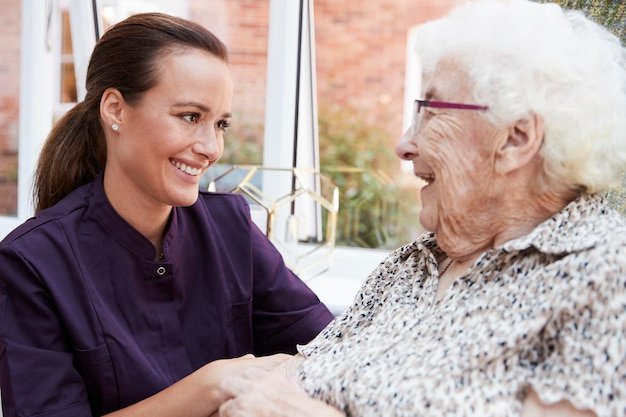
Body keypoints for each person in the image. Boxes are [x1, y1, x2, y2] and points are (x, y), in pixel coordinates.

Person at [214, 1, 626, 416]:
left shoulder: (606, 274)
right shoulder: (412, 265)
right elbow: (294, 377)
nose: (404, 144)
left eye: (429, 112)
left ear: (516, 139)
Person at [0, 12, 333, 417]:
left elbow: (331, 351)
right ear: (115, 110)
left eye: (221, 123)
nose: (211, 147)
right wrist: (212, 385)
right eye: (190, 117)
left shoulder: (232, 229)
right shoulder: (30, 264)